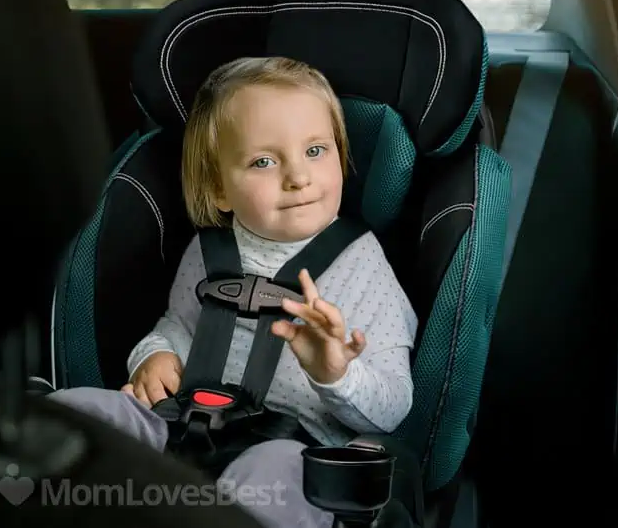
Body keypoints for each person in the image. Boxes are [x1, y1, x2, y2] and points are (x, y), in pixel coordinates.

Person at [49, 56, 417, 528]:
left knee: (266, 481)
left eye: (316, 151)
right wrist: (154, 356)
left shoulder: (364, 265)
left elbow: (392, 408)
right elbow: (180, 326)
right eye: (264, 161)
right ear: (220, 189)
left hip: (294, 445)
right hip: (181, 424)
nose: (298, 177)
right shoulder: (210, 250)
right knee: (76, 412)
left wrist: (337, 373)